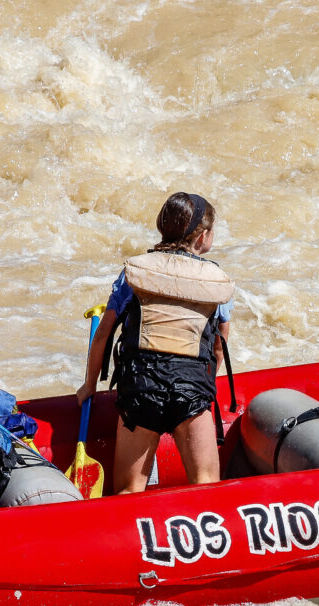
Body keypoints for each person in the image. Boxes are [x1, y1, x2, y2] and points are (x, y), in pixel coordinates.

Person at [76, 193, 235, 493]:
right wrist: (204, 387)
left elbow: (103, 336)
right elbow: (218, 345)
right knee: (206, 486)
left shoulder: (135, 272)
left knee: (128, 491)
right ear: (202, 237)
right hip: (190, 389)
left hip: (141, 388)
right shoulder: (217, 280)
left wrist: (89, 385)